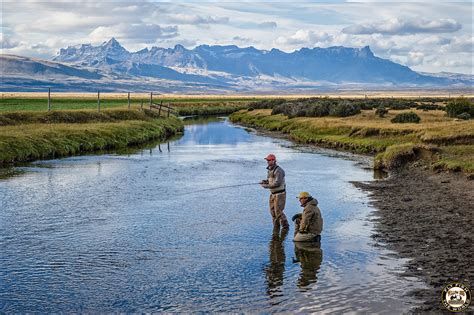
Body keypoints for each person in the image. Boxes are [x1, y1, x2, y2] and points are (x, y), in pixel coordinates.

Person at [260, 154, 289, 230]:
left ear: (274, 161)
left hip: (280, 194)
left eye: (269, 160)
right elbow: (270, 181)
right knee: (273, 212)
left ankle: (285, 227)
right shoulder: (269, 170)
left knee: (278, 212)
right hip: (272, 194)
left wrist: (266, 186)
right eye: (267, 160)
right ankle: (276, 228)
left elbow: (277, 183)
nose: (268, 162)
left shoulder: (279, 170)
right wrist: (265, 181)